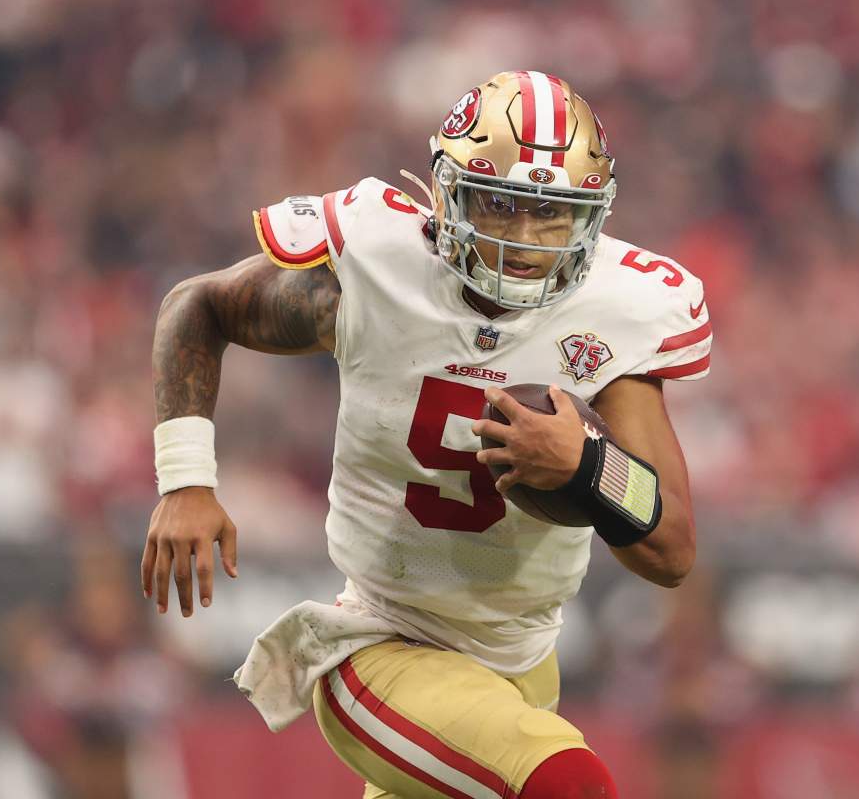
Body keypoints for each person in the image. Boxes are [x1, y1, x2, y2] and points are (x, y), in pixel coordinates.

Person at [142, 71, 712, 798]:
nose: (523, 239)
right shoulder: (379, 268)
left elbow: (672, 549)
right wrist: (186, 480)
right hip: (384, 643)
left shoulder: (617, 314)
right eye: (500, 203)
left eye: (551, 213)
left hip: (523, 663)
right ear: (446, 192)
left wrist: (588, 465)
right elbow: (197, 306)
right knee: (568, 785)